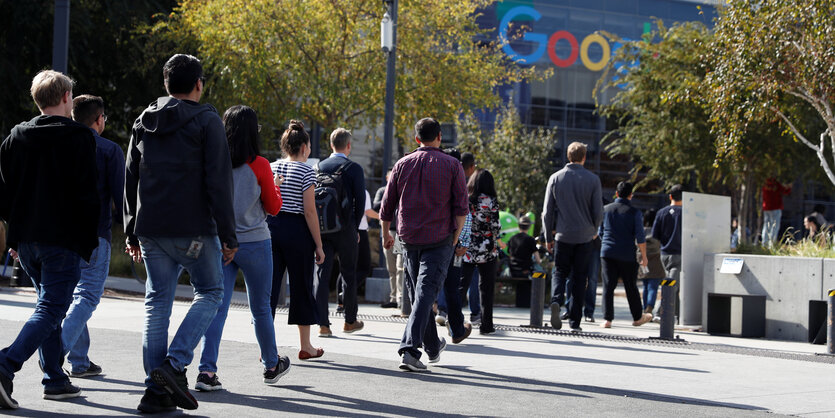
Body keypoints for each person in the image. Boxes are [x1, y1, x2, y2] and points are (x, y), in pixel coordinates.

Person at [124, 54, 238, 413]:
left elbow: (130, 178)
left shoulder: (144, 120)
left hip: (151, 228)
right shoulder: (207, 121)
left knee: (157, 303)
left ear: (166, 83)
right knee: (212, 291)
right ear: (199, 84)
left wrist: (130, 229)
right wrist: (229, 235)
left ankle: (154, 392)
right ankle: (173, 367)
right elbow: (219, 183)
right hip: (193, 228)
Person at [0, 70, 99, 409]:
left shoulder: (16, 136)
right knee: (53, 306)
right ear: (65, 98)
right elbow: (88, 195)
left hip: (27, 239)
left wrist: (14, 236)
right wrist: (89, 241)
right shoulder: (80, 137)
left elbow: (6, 195)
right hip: (62, 238)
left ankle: (55, 378)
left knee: (47, 305)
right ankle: (5, 365)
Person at [196, 105, 291, 392]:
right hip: (256, 243)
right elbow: (274, 207)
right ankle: (271, 365)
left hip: (222, 242)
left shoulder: (214, 161)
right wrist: (275, 186)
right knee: (261, 308)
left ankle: (207, 371)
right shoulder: (260, 164)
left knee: (217, 308)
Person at [380, 117, 468, 371]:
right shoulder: (452, 165)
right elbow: (461, 208)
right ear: (439, 137)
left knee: (419, 292)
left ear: (417, 138)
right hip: (439, 237)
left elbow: (386, 207)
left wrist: (387, 234)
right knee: (424, 292)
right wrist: (456, 235)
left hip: (407, 238)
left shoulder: (401, 164)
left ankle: (432, 346)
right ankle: (409, 350)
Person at [60, 95, 125, 379]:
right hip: (95, 233)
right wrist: (132, 233)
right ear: (98, 120)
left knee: (72, 297)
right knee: (87, 295)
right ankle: (56, 351)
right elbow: (120, 198)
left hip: (60, 234)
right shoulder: (109, 149)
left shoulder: (60, 144)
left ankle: (79, 360)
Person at [268, 120, 326, 357]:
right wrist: (319, 245)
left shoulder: (272, 167)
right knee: (302, 286)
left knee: (269, 289)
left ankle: (267, 346)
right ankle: (306, 346)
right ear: (304, 147)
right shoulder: (307, 171)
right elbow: (310, 211)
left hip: (271, 228)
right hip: (297, 230)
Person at [541, 142, 603, 332]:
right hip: (585, 236)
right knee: (579, 277)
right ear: (584, 157)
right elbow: (598, 211)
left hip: (562, 234)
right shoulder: (593, 180)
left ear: (568, 156)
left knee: (560, 271)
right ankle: (575, 321)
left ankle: (556, 301)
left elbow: (547, 211)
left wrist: (547, 236)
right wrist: (594, 230)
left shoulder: (556, 177)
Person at [315, 128, 366, 337]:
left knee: (321, 275)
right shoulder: (353, 168)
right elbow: (360, 202)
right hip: (345, 229)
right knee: (348, 274)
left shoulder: (319, 166)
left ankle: (323, 325)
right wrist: (354, 226)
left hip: (322, 228)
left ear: (331, 144)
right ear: (348, 146)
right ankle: (349, 321)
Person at [598, 182, 652, 329]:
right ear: (631, 195)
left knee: (608, 286)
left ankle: (607, 319)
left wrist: (608, 244)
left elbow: (600, 232)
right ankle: (637, 317)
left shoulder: (605, 210)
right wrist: (644, 256)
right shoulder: (635, 212)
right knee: (630, 286)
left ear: (616, 193)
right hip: (627, 254)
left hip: (608, 252)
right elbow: (640, 237)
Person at [435, 147, 473, 343]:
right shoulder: (459, 179)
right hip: (453, 242)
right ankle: (456, 328)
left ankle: (440, 317)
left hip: (434, 239)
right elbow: (465, 214)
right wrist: (463, 241)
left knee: (427, 284)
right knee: (452, 286)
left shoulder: (436, 176)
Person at [459, 169, 502, 335]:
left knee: (462, 285)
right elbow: (495, 226)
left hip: (468, 247)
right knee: (486, 288)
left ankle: (454, 318)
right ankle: (486, 325)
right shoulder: (491, 201)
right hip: (487, 249)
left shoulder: (467, 200)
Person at [652, 184, 684, 321]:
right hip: (679, 254)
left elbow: (655, 235)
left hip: (664, 254)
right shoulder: (685, 213)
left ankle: (675, 314)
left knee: (672, 283)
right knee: (671, 285)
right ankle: (659, 312)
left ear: (670, 196)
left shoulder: (661, 212)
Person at [374, 171, 404, 309]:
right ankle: (393, 297)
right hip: (388, 232)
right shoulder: (382, 190)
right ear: (387, 178)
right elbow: (376, 206)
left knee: (400, 267)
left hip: (400, 233)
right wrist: (390, 195)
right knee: (391, 267)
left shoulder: (402, 189)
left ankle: (400, 298)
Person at [460, 152, 482, 324]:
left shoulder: (452, 180)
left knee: (455, 278)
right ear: (472, 167)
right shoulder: (476, 192)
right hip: (472, 244)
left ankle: (446, 309)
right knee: (473, 278)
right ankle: (475, 312)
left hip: (454, 239)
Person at [639, 209, 664, 317]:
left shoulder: (641, 230)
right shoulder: (657, 231)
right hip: (656, 260)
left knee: (645, 285)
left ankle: (645, 308)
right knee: (653, 286)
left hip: (642, 259)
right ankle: (650, 306)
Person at [761, 177, 791, 246]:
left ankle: (764, 244)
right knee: (774, 227)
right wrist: (789, 187)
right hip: (776, 207)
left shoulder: (764, 183)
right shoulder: (776, 184)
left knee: (766, 226)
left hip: (766, 207)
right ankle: (771, 244)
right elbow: (785, 191)